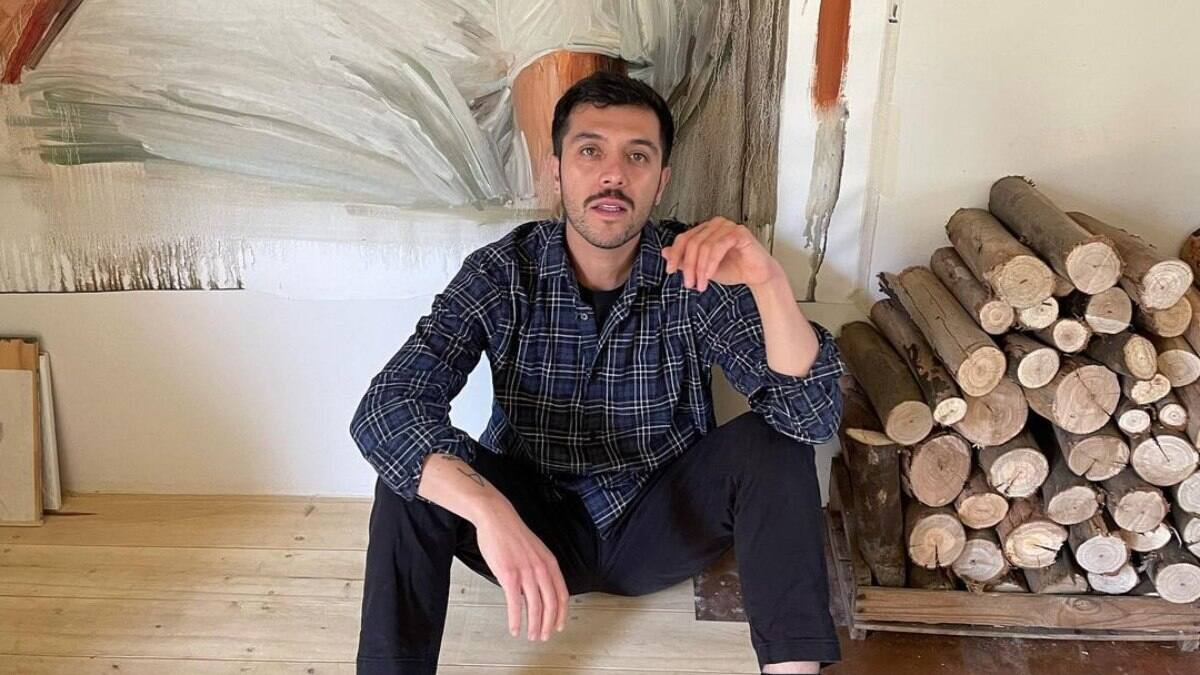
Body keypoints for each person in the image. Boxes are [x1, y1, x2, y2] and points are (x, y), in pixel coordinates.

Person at [349, 70, 845, 675]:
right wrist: (490, 511)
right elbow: (386, 409)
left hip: (661, 525)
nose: (613, 174)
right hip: (534, 520)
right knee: (412, 470)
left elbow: (810, 417)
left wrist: (768, 282)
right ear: (557, 171)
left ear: (660, 180)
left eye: (637, 156)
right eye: (590, 151)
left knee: (775, 442)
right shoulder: (502, 271)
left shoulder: (697, 268)